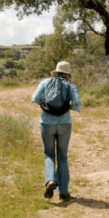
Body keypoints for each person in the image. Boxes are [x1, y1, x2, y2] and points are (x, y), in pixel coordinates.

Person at [32, 61, 81, 201]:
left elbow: (34, 99)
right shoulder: (71, 85)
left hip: (46, 122)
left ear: (55, 71)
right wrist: (64, 108)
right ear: (67, 73)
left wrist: (47, 106)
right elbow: (76, 105)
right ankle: (64, 192)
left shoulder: (45, 82)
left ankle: (50, 180)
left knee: (48, 154)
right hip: (64, 123)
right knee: (63, 157)